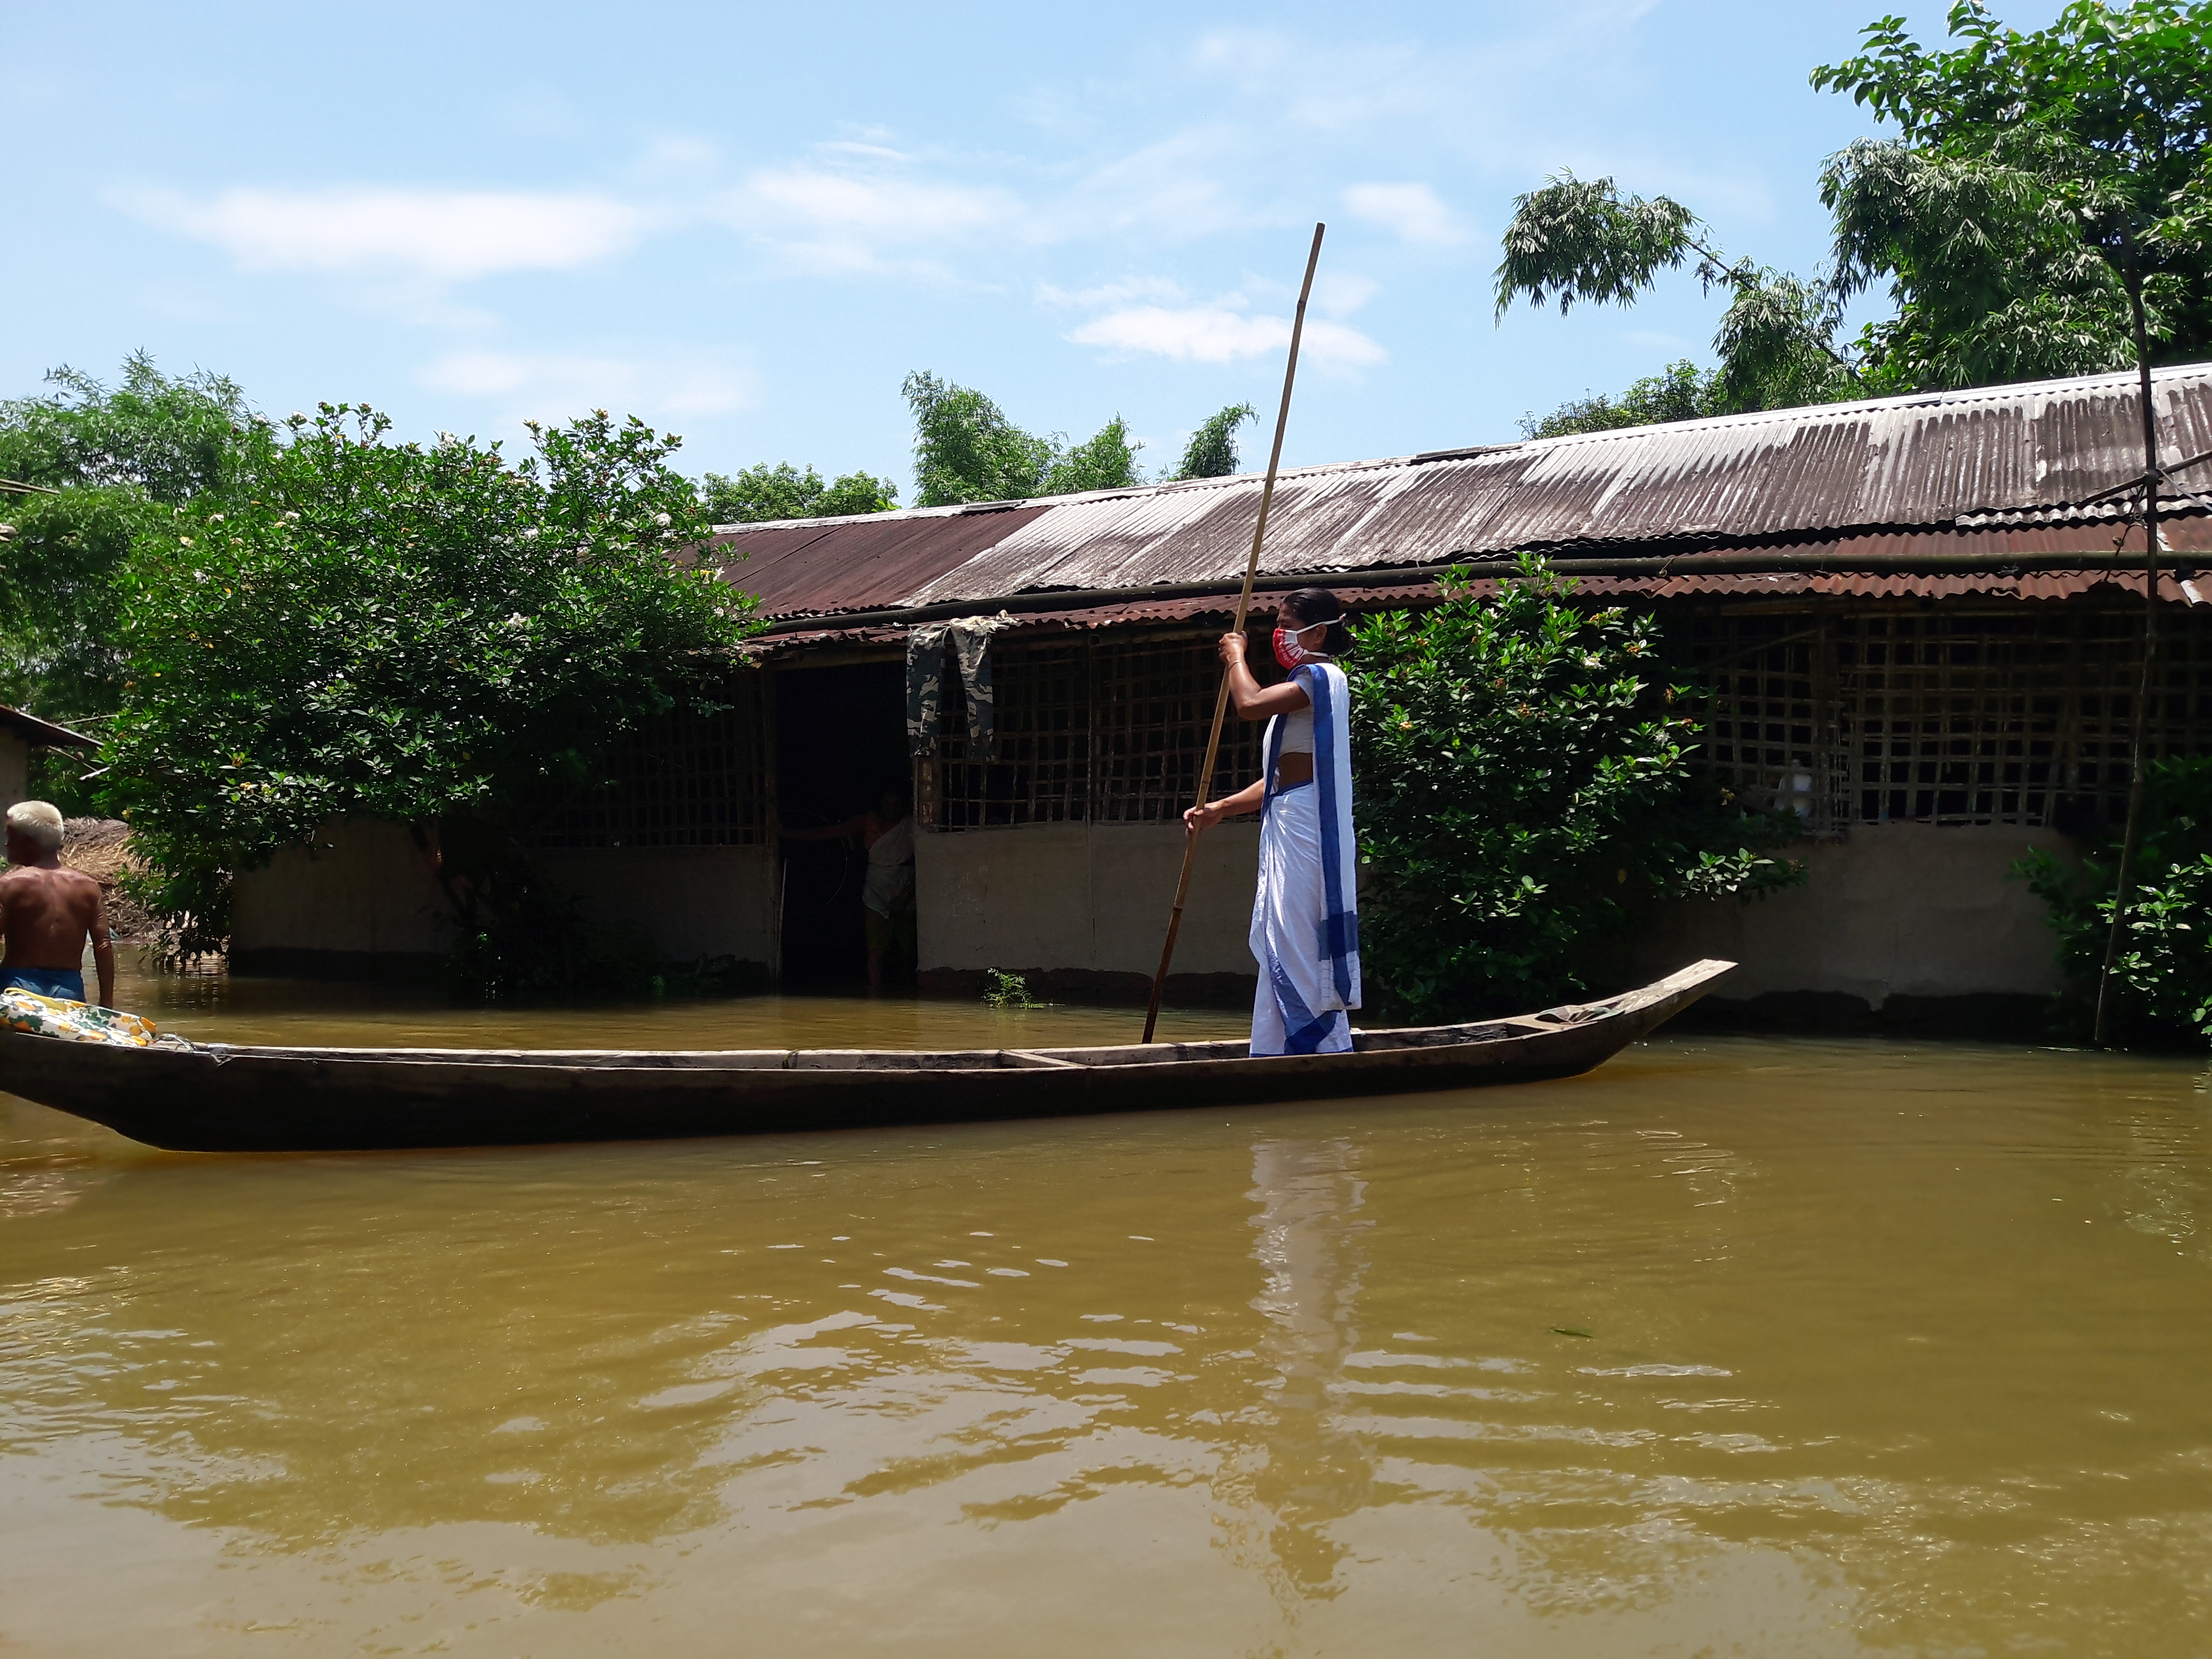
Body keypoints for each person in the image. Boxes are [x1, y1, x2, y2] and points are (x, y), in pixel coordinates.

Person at [1183, 589, 1362, 1056]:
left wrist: (1235, 657)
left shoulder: (1321, 677)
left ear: (1319, 632)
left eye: (1287, 624)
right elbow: (1279, 778)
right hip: (1289, 814)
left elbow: (1249, 703)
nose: (1279, 634)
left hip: (1305, 824)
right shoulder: (1306, 686)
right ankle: (1277, 1044)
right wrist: (1221, 809)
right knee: (1280, 934)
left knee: (1298, 931)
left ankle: (1322, 1046)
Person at [783, 782, 916, 994]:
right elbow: (827, 832)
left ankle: (910, 994)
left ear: (904, 805)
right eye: (887, 804)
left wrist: (907, 893)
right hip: (876, 891)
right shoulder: (869, 822)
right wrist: (786, 834)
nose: (891, 809)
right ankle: (876, 996)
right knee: (875, 953)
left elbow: (924, 860)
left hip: (905, 888)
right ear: (880, 805)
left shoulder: (912, 825)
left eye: (896, 804)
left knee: (909, 953)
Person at [0, 801, 114, 1007]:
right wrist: (107, 1003)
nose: (6, 844)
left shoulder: (8, 885)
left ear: (28, 843)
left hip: (18, 986)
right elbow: (103, 945)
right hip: (69, 989)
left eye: (11, 837)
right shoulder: (88, 887)